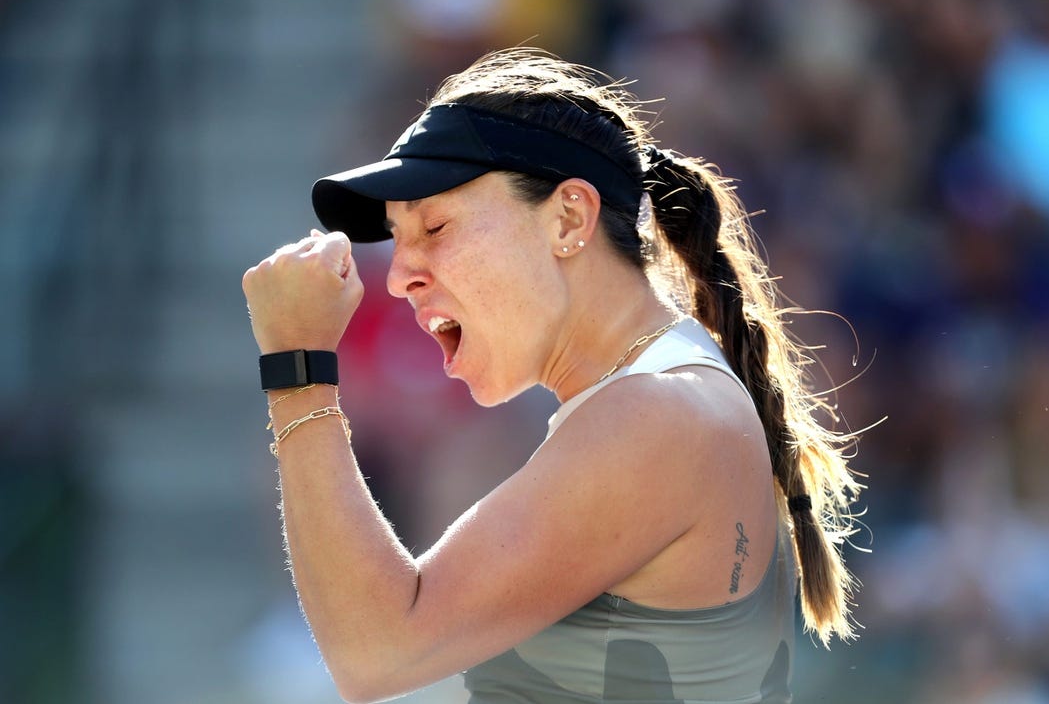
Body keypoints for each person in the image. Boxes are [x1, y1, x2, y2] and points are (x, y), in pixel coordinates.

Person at [242, 47, 864, 704]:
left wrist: (298, 366)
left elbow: (377, 650)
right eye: (398, 239)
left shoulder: (654, 414)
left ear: (569, 218)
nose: (399, 276)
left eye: (435, 226)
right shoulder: (658, 395)